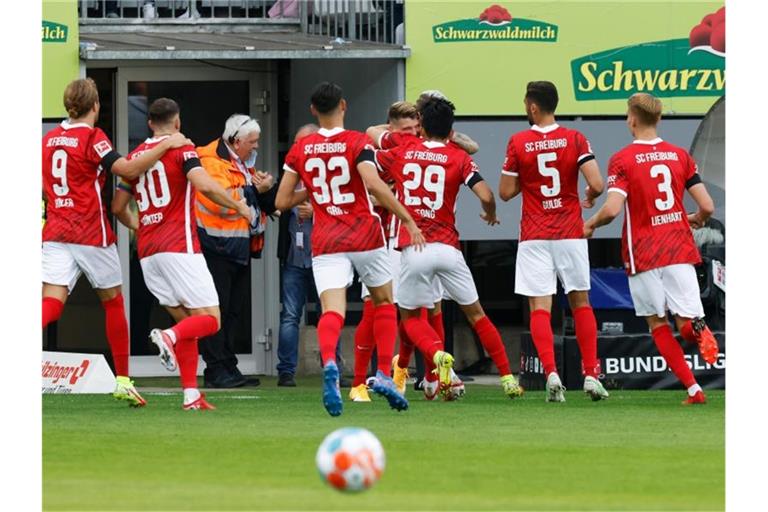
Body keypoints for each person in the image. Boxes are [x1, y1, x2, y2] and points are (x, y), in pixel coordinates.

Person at [275, 82, 425, 416]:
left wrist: (312, 191)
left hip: (327, 238)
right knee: (384, 301)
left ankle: (330, 361)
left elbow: (282, 200)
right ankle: (384, 373)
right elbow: (373, 185)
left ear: (313, 109)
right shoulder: (358, 141)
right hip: (366, 234)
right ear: (344, 105)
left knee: (332, 311)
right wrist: (408, 219)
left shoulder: (301, 149)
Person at [42, 78, 190, 407]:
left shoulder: (50, 139)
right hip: (89, 232)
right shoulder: (94, 137)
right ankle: (123, 380)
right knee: (113, 302)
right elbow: (126, 168)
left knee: (52, 303)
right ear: (95, 106)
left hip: (55, 230)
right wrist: (166, 144)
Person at [372, 97, 524, 401]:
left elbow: (370, 156)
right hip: (449, 249)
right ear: (451, 129)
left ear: (422, 126)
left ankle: (438, 357)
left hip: (414, 248)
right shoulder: (459, 158)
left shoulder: (404, 151)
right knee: (477, 315)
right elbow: (485, 192)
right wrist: (491, 212)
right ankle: (508, 378)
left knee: (412, 319)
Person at [112, 98, 252, 410]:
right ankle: (168, 338)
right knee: (211, 321)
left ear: (149, 123)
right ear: (177, 122)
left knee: (190, 323)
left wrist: (141, 226)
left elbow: (118, 208)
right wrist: (238, 205)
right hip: (179, 246)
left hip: (148, 252)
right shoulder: (182, 148)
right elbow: (203, 184)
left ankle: (191, 395)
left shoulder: (137, 157)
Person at [583, 92, 719, 405]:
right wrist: (696, 218)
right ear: (658, 119)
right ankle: (699, 330)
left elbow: (613, 209)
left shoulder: (623, 159)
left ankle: (694, 389)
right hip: (678, 245)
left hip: (643, 251)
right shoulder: (679, 156)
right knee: (686, 319)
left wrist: (589, 224)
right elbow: (707, 206)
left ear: (631, 119)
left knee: (658, 323)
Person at [498, 81, 608, 402]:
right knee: (581, 302)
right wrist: (587, 195)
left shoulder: (518, 141)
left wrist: (527, 181)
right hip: (570, 232)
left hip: (534, 234)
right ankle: (590, 374)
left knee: (540, 306)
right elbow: (598, 184)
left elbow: (505, 193)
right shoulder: (575, 138)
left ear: (533, 107)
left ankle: (551, 373)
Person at [195, 114, 277, 388]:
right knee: (216, 311)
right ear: (236, 141)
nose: (256, 147)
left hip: (236, 246)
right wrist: (256, 188)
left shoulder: (237, 161)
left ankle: (227, 366)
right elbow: (221, 200)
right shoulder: (210, 161)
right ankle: (216, 370)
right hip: (216, 246)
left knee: (232, 311)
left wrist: (261, 189)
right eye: (252, 143)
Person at [349, 101, 420, 403]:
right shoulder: (376, 154)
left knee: (420, 308)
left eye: (416, 129)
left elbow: (471, 147)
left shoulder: (417, 150)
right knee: (375, 307)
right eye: (406, 130)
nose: (412, 134)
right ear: (391, 129)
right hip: (380, 238)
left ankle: (410, 373)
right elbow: (366, 187)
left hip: (413, 239)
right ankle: (360, 382)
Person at [276, 123, 351, 388]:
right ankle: (285, 371)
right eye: (296, 142)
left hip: (326, 255)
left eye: (303, 141)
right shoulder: (291, 171)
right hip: (294, 259)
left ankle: (332, 366)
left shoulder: (331, 172)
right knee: (290, 315)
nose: (299, 147)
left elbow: (344, 207)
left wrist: (316, 213)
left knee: (330, 313)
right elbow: (278, 204)